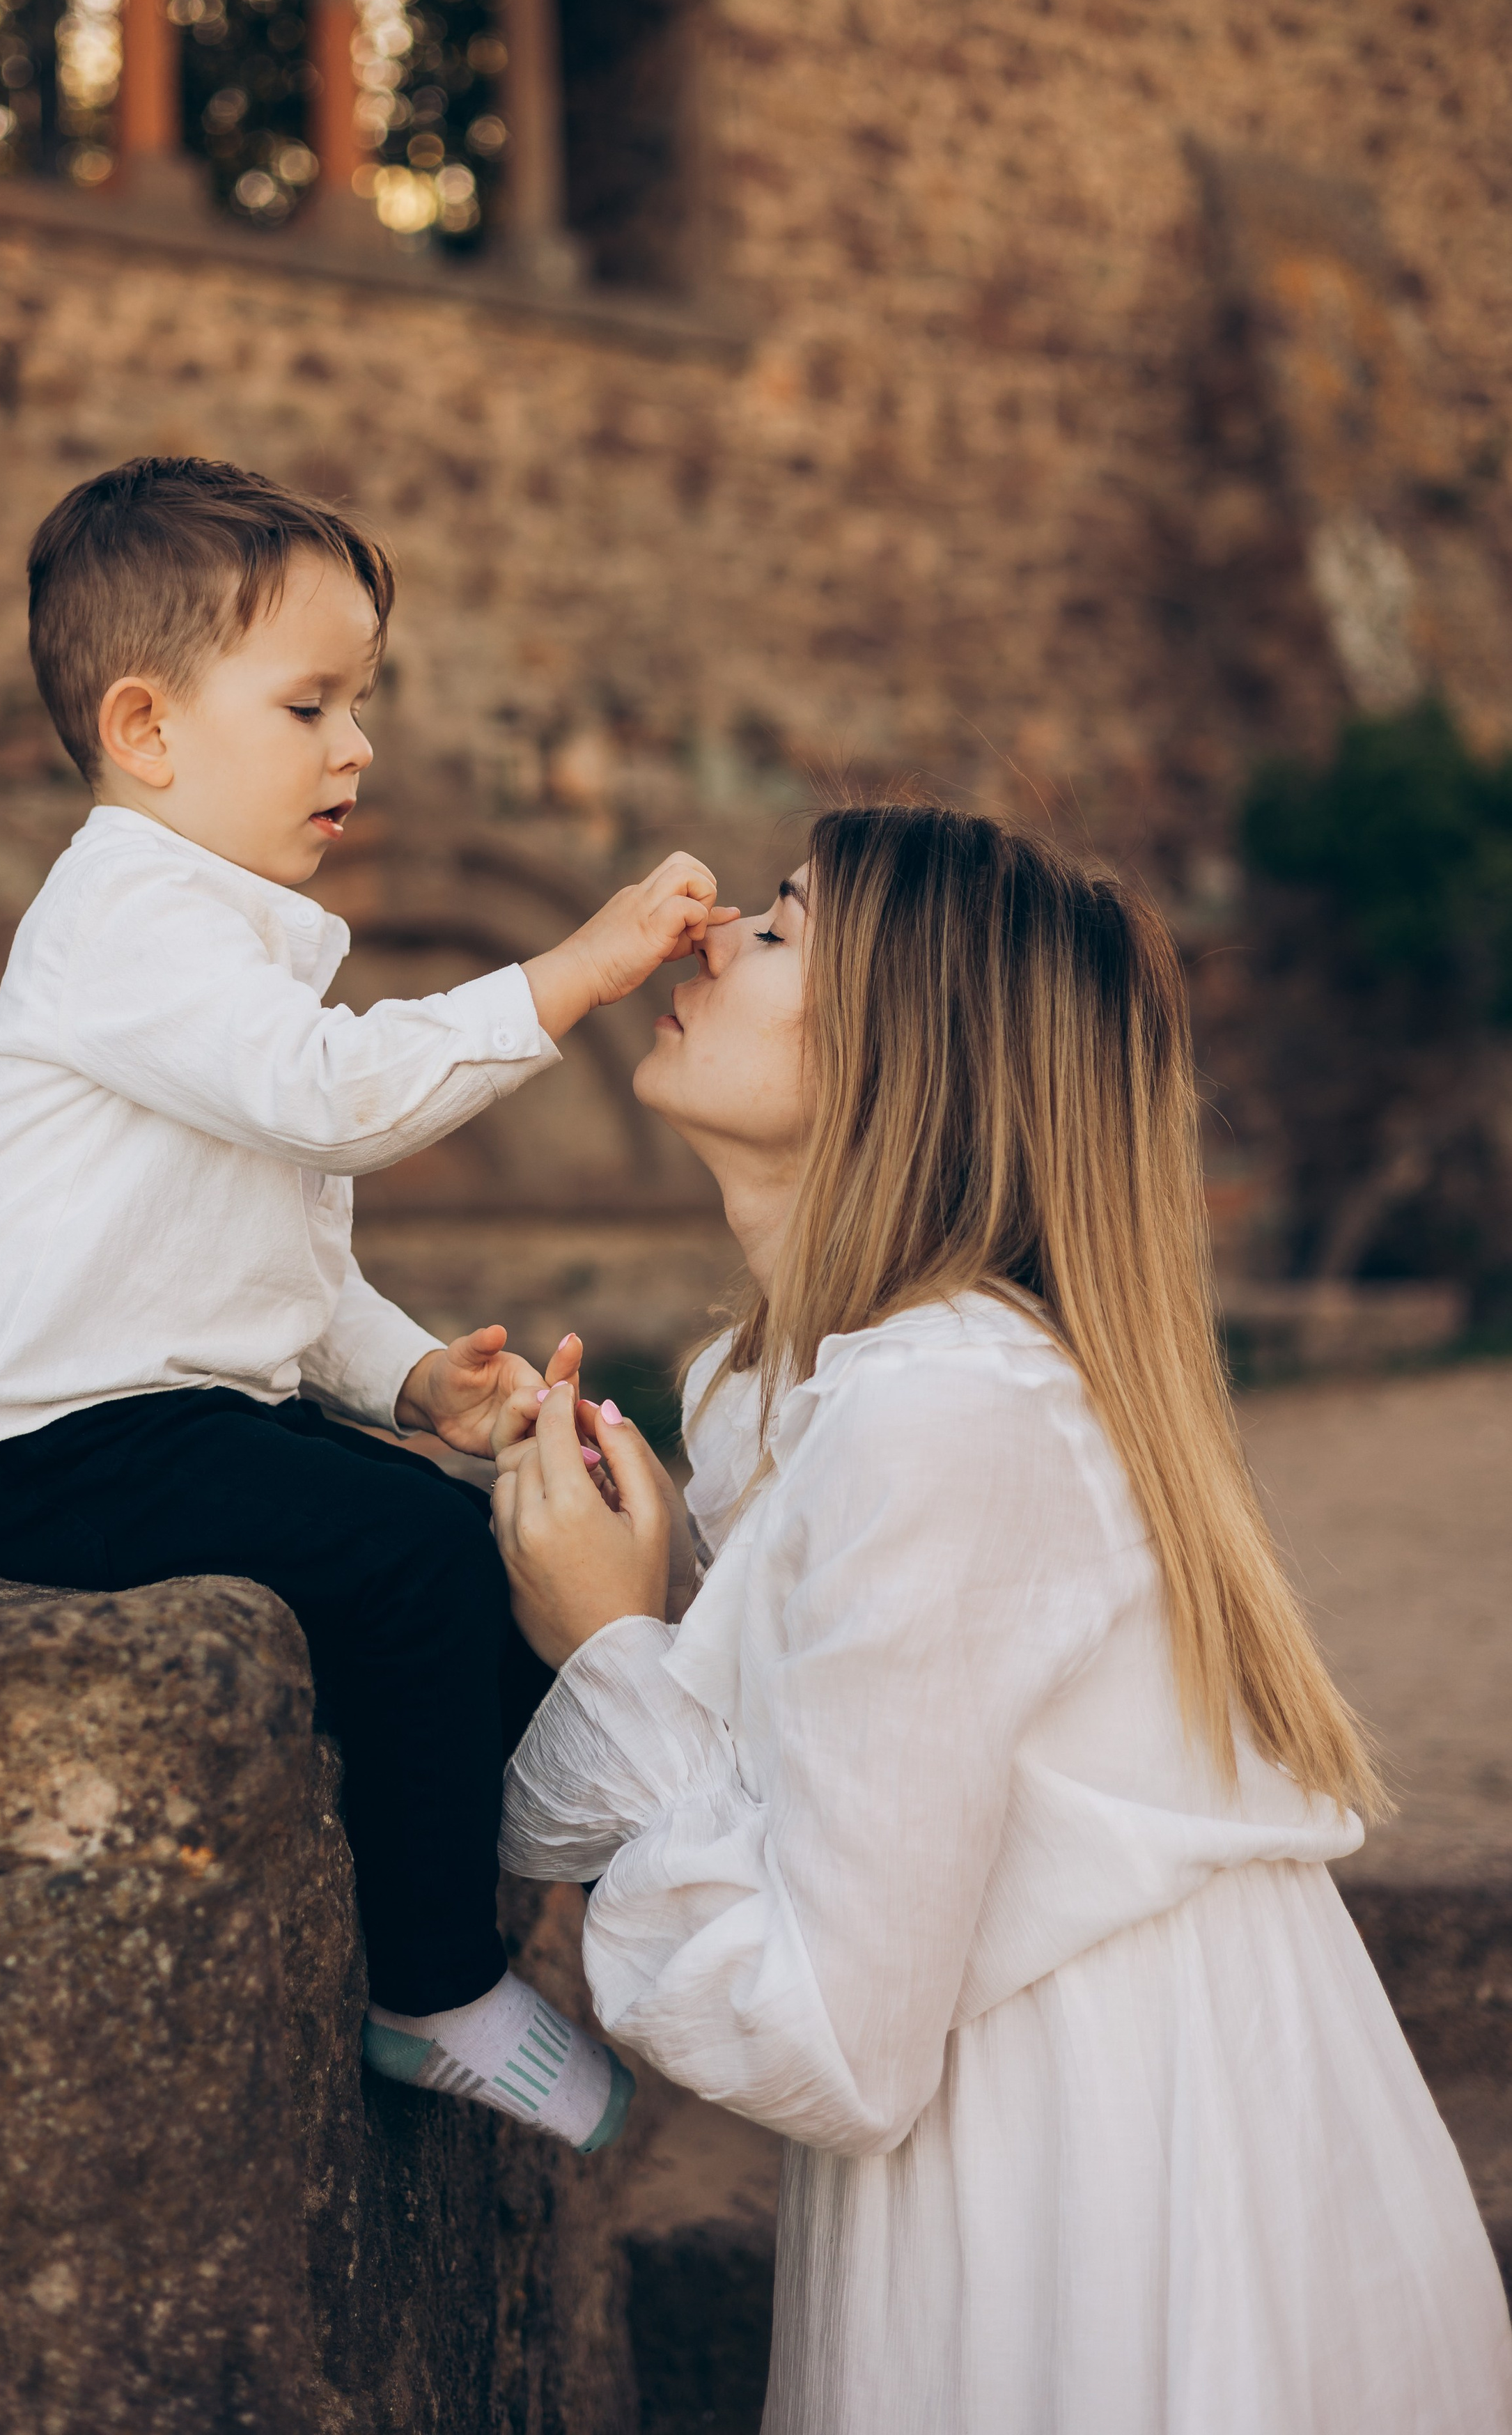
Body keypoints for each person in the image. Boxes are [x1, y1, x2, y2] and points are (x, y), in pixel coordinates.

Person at [494, 802, 1512, 2430]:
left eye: (777, 923)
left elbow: (827, 2037)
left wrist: (613, 1644)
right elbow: (699, 1812)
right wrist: (607, 1581)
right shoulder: (809, 1398)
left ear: (901, 1053)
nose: (707, 936)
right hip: (1041, 2149)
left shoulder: (945, 1410)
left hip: (1112, 2197)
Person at [0, 453, 738, 2157]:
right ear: (146, 730)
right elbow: (336, 1101)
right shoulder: (126, 915)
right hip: (48, 1439)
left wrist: (414, 1377)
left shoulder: (229, 932)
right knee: (419, 1565)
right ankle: (431, 1993)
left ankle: (505, 1885)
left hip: (172, 1417)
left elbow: (285, 1255)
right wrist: (566, 975)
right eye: (309, 705)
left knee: (467, 1523)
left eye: (360, 701)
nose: (356, 745)